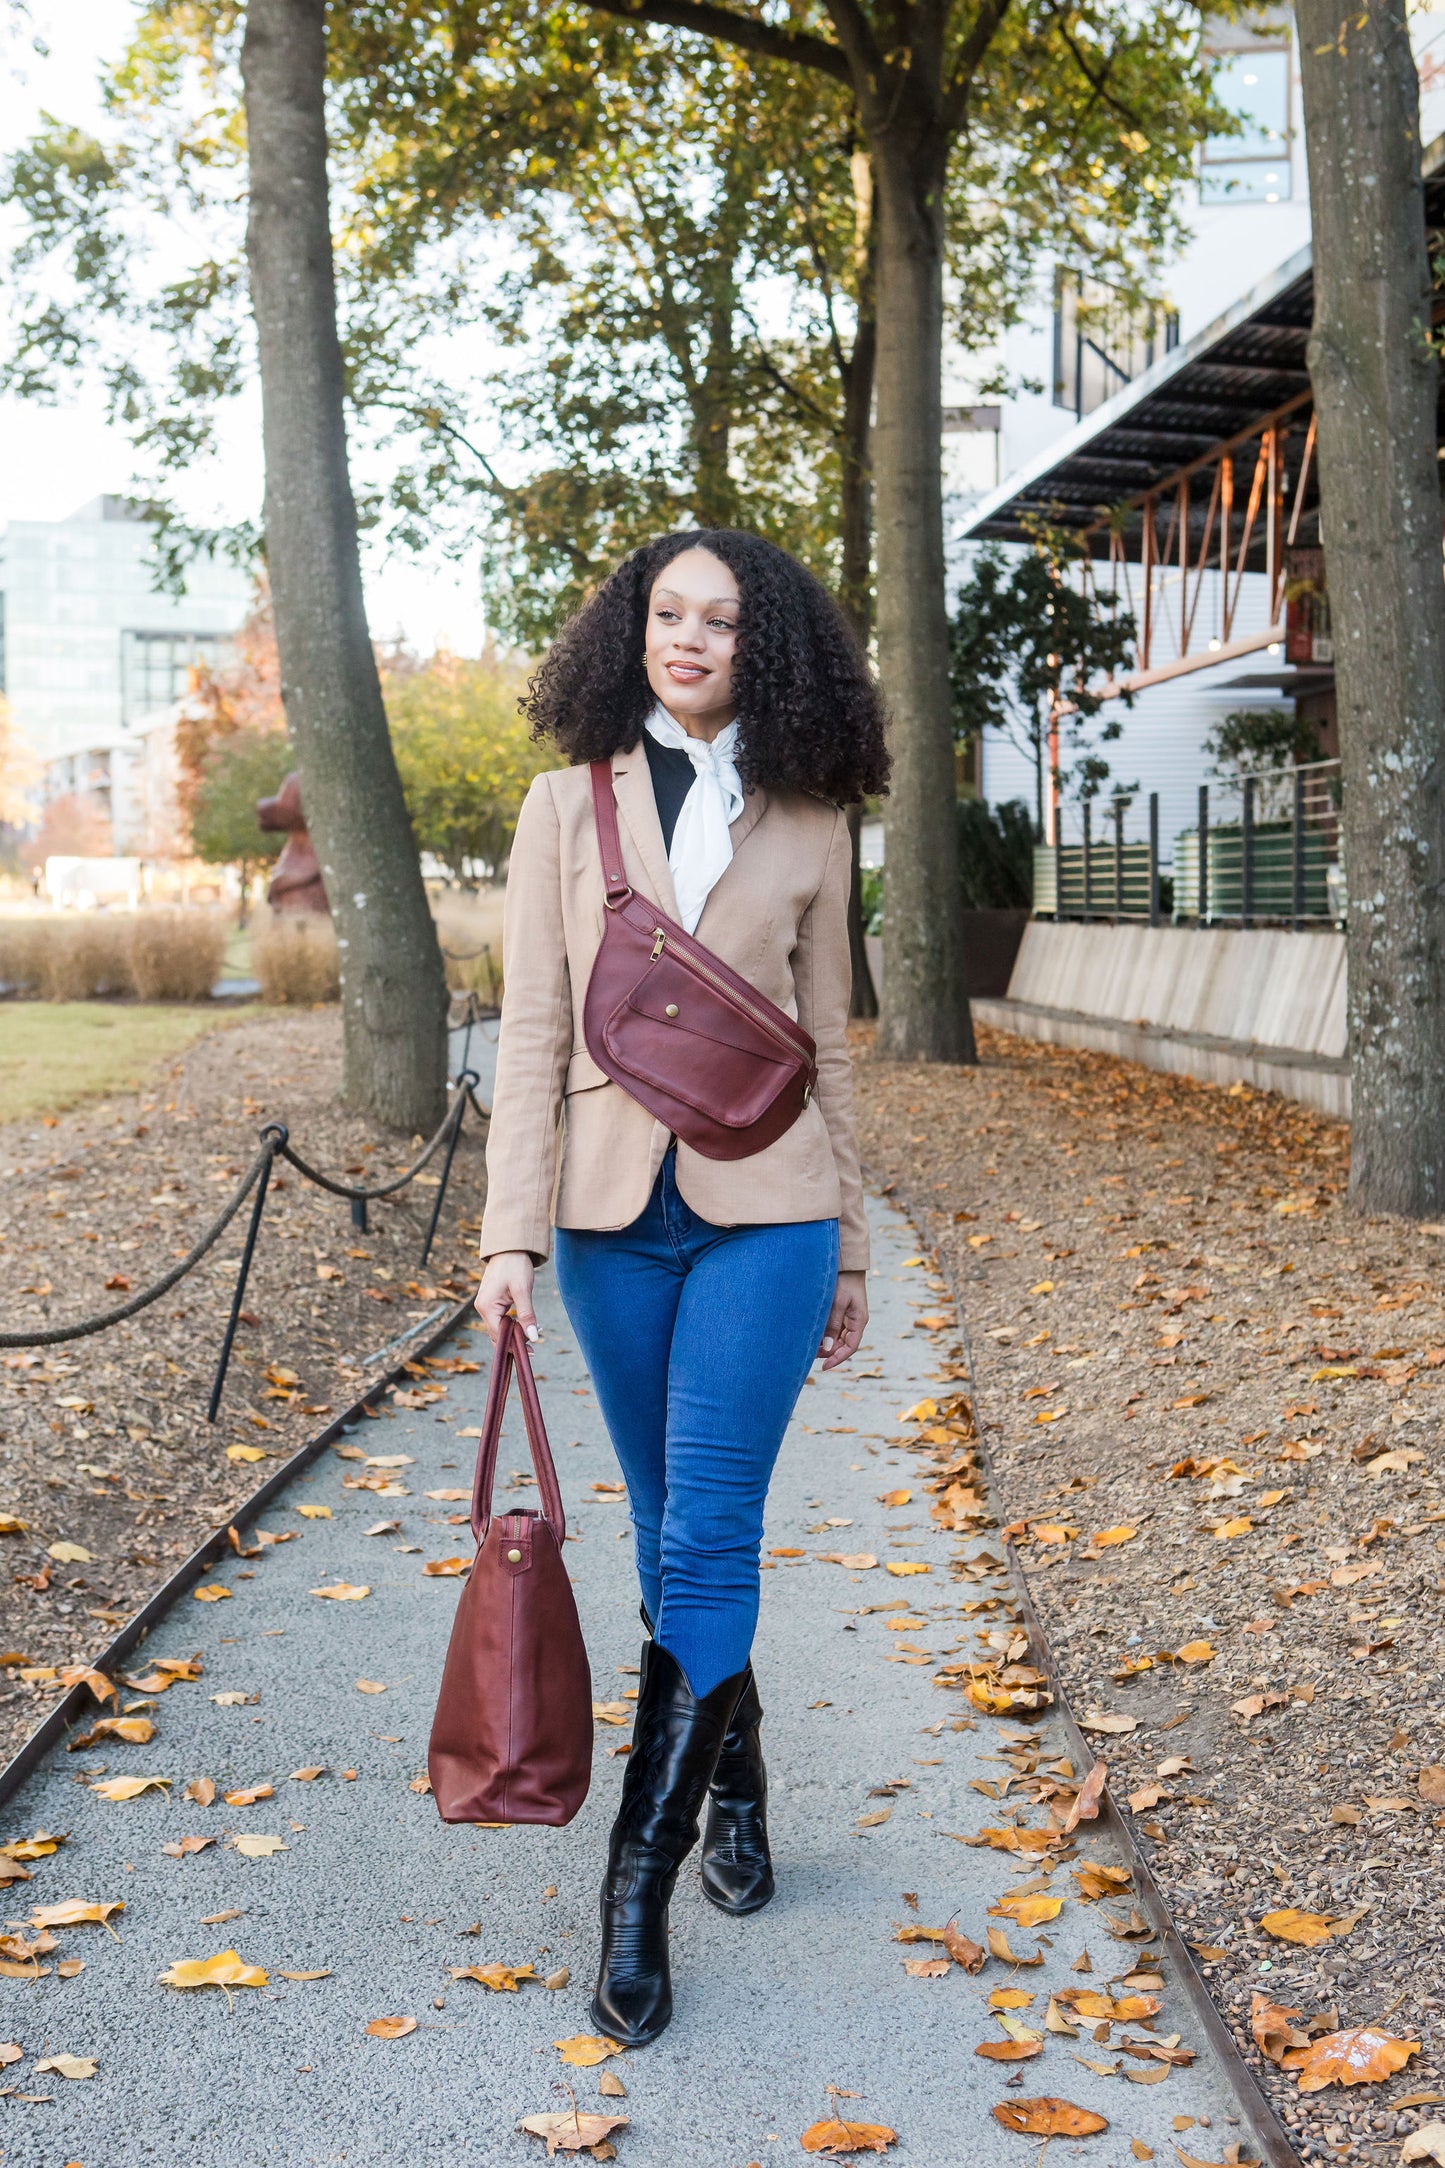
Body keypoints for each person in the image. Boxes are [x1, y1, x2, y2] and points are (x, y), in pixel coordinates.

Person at [473, 528, 889, 2046]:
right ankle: (740, 1777)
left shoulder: (813, 819)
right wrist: (506, 1235)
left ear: (760, 645)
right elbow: (529, 1030)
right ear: (629, 632)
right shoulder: (561, 810)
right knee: (665, 1540)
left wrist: (846, 1244)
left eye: (719, 619)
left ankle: (629, 1900)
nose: (689, 638)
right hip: (603, 1220)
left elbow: (828, 1047)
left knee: (709, 1530)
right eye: (666, 614)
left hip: (764, 1219)